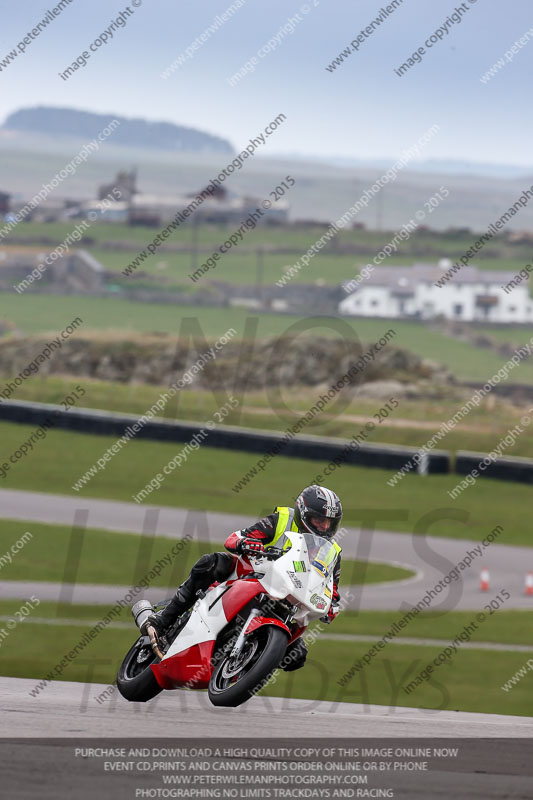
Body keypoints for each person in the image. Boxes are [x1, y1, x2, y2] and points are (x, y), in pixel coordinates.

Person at [145, 485, 343, 672]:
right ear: (303, 514)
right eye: (319, 520)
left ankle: (245, 665)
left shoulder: (331, 551)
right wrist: (248, 543)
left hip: (289, 603)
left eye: (330, 523)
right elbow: (236, 537)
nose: (325, 527)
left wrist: (332, 606)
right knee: (211, 563)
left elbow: (331, 589)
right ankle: (162, 621)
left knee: (297, 656)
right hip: (254, 576)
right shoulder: (282, 519)